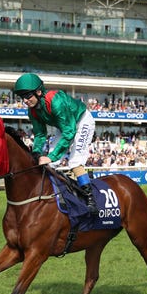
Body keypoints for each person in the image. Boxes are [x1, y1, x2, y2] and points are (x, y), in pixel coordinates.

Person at [13, 73, 97, 213]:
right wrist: (36, 153)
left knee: (75, 161)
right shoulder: (32, 111)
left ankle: (90, 199)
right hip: (64, 126)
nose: (25, 101)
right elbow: (40, 134)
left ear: (39, 92)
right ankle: (61, 195)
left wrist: (51, 156)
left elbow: (70, 131)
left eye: (28, 96)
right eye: (23, 97)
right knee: (49, 163)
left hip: (81, 121)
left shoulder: (55, 100)